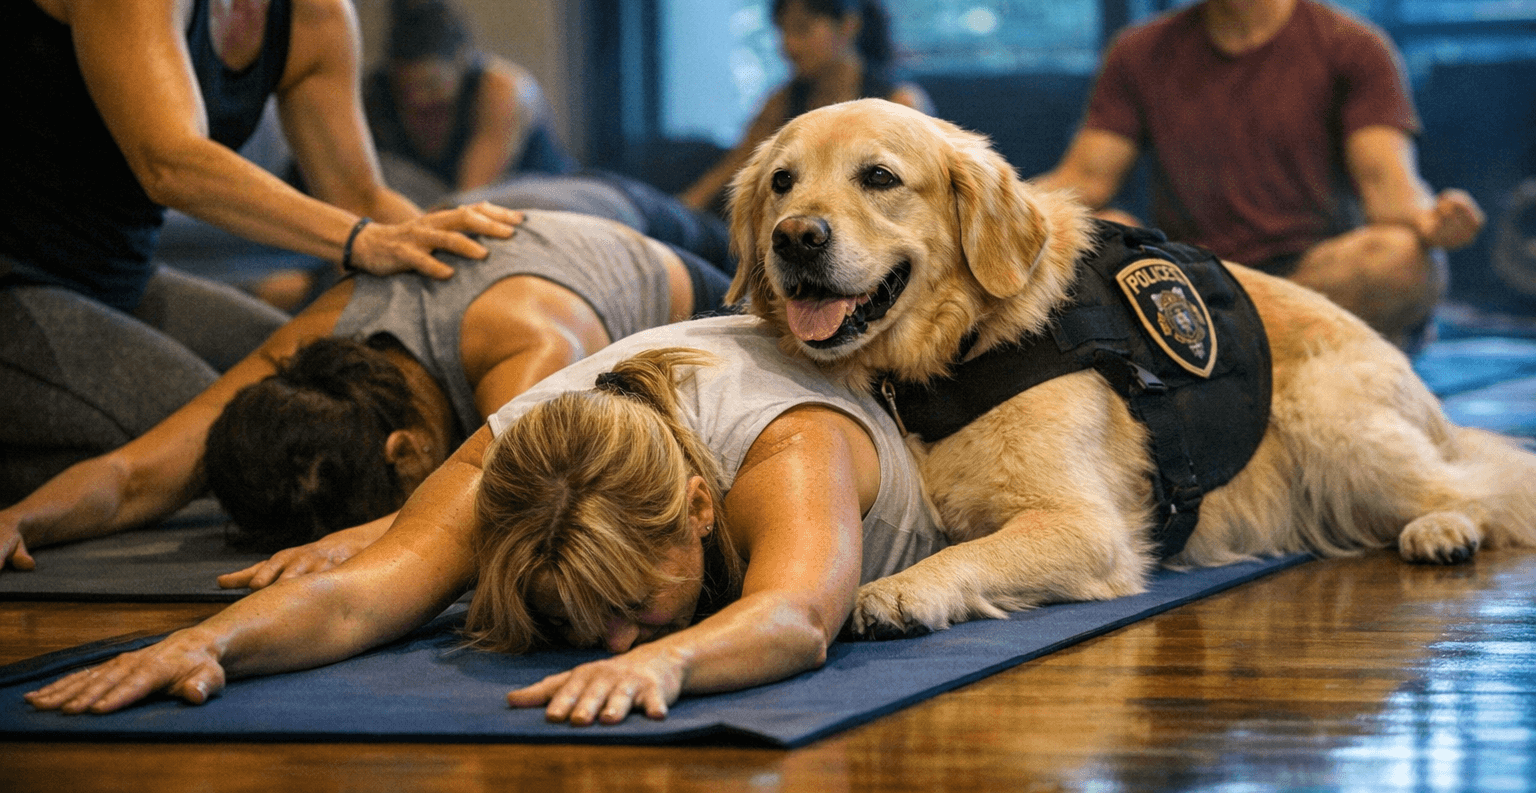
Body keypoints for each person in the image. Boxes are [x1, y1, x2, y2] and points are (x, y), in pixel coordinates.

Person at [24, 313, 946, 725]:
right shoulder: (516, 457)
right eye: (579, 618)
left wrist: (667, 655)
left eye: (630, 602)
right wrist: (207, 644)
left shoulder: (786, 452)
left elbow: (796, 617)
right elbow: (355, 599)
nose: (612, 640)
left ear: (699, 509)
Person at [0, 0, 519, 472]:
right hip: (15, 282)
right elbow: (171, 163)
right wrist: (365, 242)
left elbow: (362, 198)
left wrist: (477, 265)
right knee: (251, 439)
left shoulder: (313, 13)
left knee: (337, 389)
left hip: (118, 279)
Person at [0, 210, 730, 576]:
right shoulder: (311, 355)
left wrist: (356, 545)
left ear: (406, 447)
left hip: (706, 299)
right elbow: (134, 477)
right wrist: (20, 519)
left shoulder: (524, 347)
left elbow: (537, 501)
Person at [1036, 0, 1484, 349]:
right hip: (1190, 275)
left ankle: (1217, 344)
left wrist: (1433, 220)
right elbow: (1085, 179)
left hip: (1313, 277)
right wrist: (993, 203)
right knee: (1099, 235)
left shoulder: (1353, 47)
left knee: (1404, 259)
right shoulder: (1140, 51)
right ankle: (1263, 341)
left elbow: (1389, 187)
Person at [679, 0, 934, 213]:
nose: (788, 45)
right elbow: (732, 171)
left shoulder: (900, 103)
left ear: (848, 25)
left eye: (802, 29)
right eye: (782, 31)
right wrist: (681, 211)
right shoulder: (782, 103)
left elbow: (923, 201)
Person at [364, 0, 578, 205]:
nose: (417, 99)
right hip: (442, 200)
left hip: (552, 198)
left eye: (431, 85)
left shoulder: (501, 90)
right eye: (405, 89)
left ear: (461, 63)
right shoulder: (375, 94)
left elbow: (468, 203)